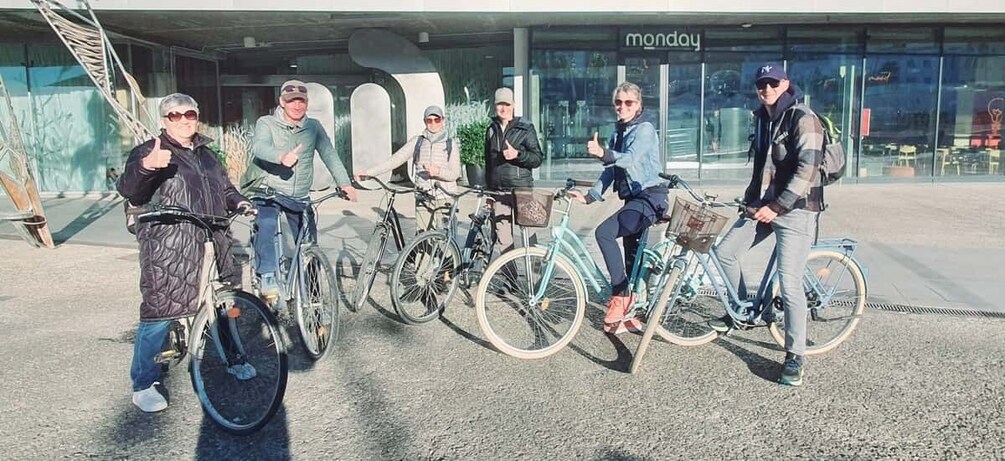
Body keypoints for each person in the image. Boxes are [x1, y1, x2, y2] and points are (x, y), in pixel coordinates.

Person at [118, 93, 255, 413]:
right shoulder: (149, 151)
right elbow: (130, 189)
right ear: (164, 120)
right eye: (174, 115)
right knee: (160, 314)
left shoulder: (208, 155)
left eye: (189, 114)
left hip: (214, 241)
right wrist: (146, 167)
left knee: (222, 305)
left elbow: (225, 189)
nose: (183, 120)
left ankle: (233, 357)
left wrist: (240, 202)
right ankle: (143, 383)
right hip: (170, 247)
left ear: (197, 116)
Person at [709, 63, 825, 387]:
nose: (767, 89)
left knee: (789, 283)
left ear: (786, 84)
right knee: (725, 252)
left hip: (796, 210)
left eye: (773, 83)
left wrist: (777, 207)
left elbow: (808, 169)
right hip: (765, 206)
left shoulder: (803, 117)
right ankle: (743, 312)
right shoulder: (763, 118)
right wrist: (751, 200)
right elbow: (761, 166)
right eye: (762, 84)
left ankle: (795, 356)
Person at [244, 79, 358, 300]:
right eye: (291, 101)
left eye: (301, 101)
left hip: (299, 196)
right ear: (281, 102)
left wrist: (345, 183)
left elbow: (330, 154)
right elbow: (259, 146)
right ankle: (267, 275)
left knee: (309, 244)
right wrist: (280, 156)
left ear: (307, 103)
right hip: (269, 190)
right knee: (266, 223)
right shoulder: (266, 123)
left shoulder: (313, 127)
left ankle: (314, 296)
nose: (297, 105)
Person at [568, 82, 667, 335]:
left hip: (650, 198)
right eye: (618, 102)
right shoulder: (618, 133)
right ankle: (630, 315)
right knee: (631, 260)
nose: (622, 106)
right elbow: (611, 171)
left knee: (604, 233)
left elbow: (629, 159)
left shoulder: (644, 129)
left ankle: (620, 296)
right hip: (633, 200)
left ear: (638, 105)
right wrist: (590, 197)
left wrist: (603, 153)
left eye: (628, 102)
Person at [354, 104, 461, 232]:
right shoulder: (418, 142)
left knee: (443, 238)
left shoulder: (450, 144)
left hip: (444, 197)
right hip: (423, 196)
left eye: (437, 120)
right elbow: (395, 160)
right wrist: (368, 173)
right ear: (424, 121)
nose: (433, 124)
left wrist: (438, 172)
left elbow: (455, 174)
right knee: (422, 237)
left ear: (442, 121)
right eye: (429, 120)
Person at [484, 87, 543, 255]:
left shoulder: (525, 128)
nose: (503, 108)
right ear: (495, 106)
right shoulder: (491, 129)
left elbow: (537, 158)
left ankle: (536, 272)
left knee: (528, 234)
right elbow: (488, 163)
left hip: (521, 190)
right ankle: (510, 273)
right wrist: (488, 192)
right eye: (500, 104)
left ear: (513, 105)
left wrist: (518, 154)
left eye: (507, 104)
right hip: (499, 192)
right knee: (503, 239)